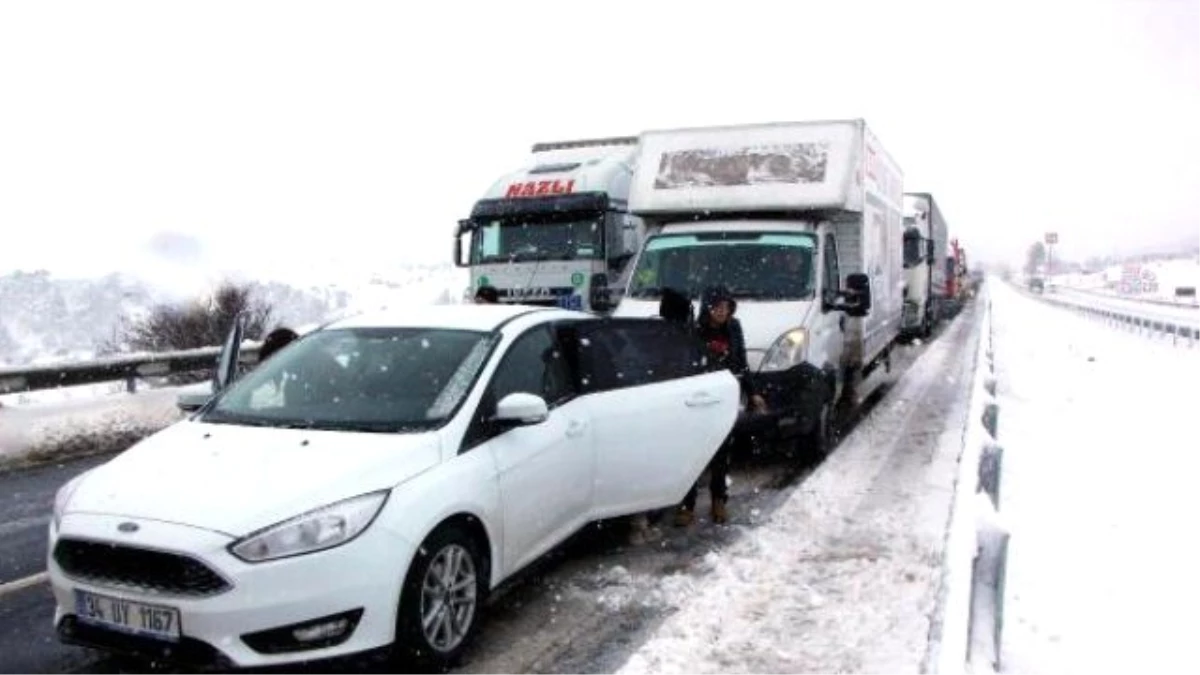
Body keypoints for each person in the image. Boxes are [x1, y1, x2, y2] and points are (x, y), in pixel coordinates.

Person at [675, 286, 766, 526]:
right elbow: (685, 364)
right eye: (717, 307)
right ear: (707, 307)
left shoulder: (734, 328)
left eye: (726, 308)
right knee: (693, 453)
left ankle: (719, 500)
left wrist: (753, 392)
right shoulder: (694, 330)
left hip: (725, 396)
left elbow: (742, 362)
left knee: (721, 452)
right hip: (699, 397)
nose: (721, 312)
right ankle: (687, 505)